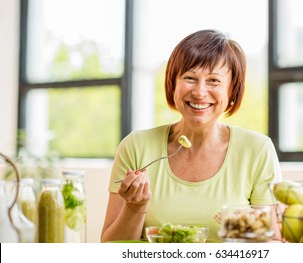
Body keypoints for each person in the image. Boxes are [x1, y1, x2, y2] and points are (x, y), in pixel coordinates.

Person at [101, 29, 283, 243]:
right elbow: (110, 249)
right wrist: (134, 207)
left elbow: (271, 247)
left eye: (214, 80)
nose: (199, 91)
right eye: (189, 78)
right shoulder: (136, 147)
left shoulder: (257, 149)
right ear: (173, 84)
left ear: (232, 90)